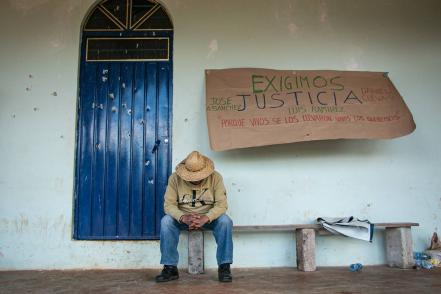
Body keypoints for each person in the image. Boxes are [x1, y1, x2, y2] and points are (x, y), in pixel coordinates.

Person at [155, 151, 233, 283]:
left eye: (199, 177)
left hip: (208, 218)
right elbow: (168, 205)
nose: (196, 179)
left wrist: (206, 218)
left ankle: (224, 266)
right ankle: (170, 267)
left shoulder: (216, 177)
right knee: (166, 222)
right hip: (184, 218)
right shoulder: (174, 179)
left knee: (225, 221)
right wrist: (183, 217)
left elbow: (222, 205)